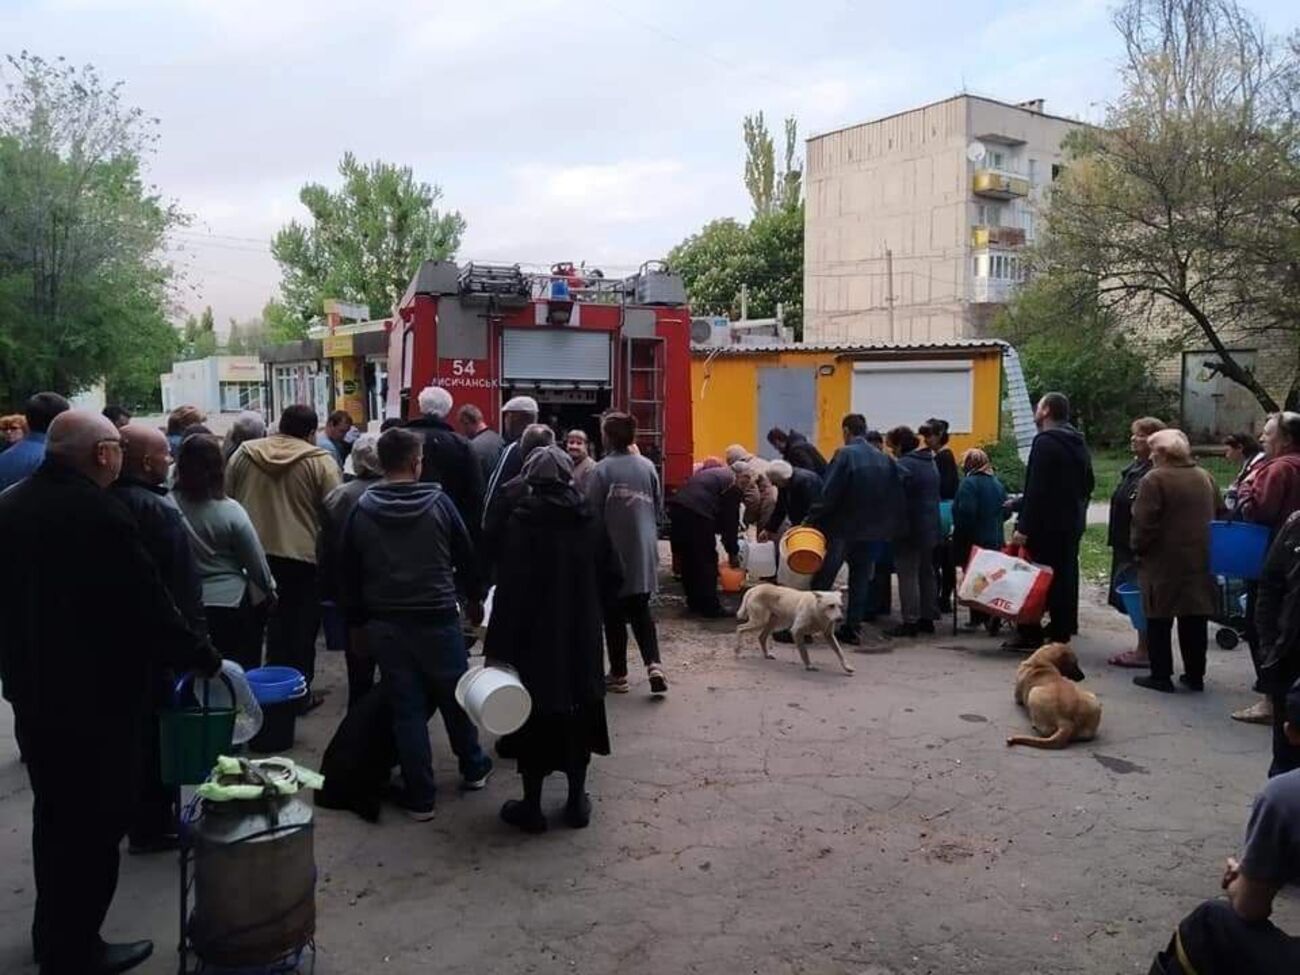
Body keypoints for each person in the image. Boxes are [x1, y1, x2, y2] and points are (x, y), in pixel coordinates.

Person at [0, 411, 219, 975]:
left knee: (55, 820)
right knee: (94, 828)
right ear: (103, 455)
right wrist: (202, 656)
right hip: (95, 699)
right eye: (116, 447)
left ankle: (54, 936)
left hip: (33, 693)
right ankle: (76, 949)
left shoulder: (13, 503)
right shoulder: (100, 515)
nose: (121, 456)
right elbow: (146, 603)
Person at [338, 427, 491, 821]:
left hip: (386, 623)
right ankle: (473, 768)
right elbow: (467, 552)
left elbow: (348, 574)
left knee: (406, 707)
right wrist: (474, 598)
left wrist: (355, 626)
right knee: (454, 696)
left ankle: (421, 796)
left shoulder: (362, 507)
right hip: (438, 616)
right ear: (413, 462)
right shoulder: (439, 503)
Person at [485, 445, 616, 833]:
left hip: (533, 639)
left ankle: (532, 805)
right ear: (567, 477)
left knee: (535, 714)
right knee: (580, 707)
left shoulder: (521, 522)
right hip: (581, 633)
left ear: (531, 481)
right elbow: (613, 575)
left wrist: (499, 646)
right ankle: (577, 800)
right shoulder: (589, 519)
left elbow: (507, 588)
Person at [1150, 680, 1300, 973]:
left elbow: (1250, 908)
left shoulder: (1285, 797)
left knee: (1209, 923)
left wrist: (1240, 880)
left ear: (1290, 732)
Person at [111, 425, 209, 854]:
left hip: (113, 644)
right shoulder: (157, 509)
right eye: (163, 456)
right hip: (156, 646)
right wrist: (197, 643)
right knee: (157, 740)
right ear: (149, 463)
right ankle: (154, 825)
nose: (170, 460)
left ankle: (135, 817)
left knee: (130, 738)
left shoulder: (105, 500)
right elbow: (182, 588)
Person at [226, 404, 341, 707]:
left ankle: (246, 694)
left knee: (250, 629)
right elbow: (335, 513)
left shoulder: (244, 454)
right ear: (311, 432)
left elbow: (227, 497)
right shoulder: (321, 462)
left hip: (250, 556)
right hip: (301, 558)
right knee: (298, 630)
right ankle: (295, 695)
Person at [174, 434, 277, 673]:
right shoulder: (230, 511)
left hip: (183, 602)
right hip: (229, 602)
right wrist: (270, 590)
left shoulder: (166, 504)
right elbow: (255, 563)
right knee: (236, 670)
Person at [1130, 430, 1222, 693]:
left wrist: (1138, 548)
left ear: (1162, 454)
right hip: (1200, 557)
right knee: (1194, 616)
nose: (1149, 455)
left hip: (1163, 560)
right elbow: (1220, 509)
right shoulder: (1204, 476)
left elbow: (1144, 522)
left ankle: (1161, 675)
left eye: (1152, 450)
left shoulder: (1154, 479)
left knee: (1159, 615)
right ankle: (1195, 675)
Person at [1004, 392, 1095, 651]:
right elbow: (1088, 483)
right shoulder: (1077, 441)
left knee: (1032, 577)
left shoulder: (1045, 441)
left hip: (1045, 525)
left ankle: (1029, 632)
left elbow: (1037, 488)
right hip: (1071, 522)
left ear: (1045, 411)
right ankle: (1061, 630)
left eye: (1038, 406)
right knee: (1063, 577)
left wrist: (1024, 527)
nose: (1035, 410)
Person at [804, 413, 904, 644]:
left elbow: (829, 493)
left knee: (823, 578)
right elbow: (895, 493)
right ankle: (853, 627)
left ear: (846, 431)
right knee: (860, 580)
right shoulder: (884, 459)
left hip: (843, 528)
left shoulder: (845, 455)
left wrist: (811, 519)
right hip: (872, 531)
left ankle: (808, 626)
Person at [585, 412, 667, 696]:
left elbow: (591, 516)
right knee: (641, 610)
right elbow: (657, 508)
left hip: (612, 552)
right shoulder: (647, 467)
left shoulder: (601, 470)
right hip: (643, 550)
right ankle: (654, 664)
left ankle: (619, 674)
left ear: (607, 437)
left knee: (614, 615)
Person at [1236, 412, 1300, 724]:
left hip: (1271, 557)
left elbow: (1261, 511)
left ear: (1286, 439)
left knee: (1264, 624)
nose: (1261, 438)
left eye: (1267, 433)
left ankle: (1270, 700)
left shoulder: (1279, 469)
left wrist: (1246, 490)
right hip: (1295, 562)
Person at [318, 433, 384, 706]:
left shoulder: (339, 496)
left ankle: (359, 716)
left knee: (359, 663)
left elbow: (326, 547)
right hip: (391, 588)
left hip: (353, 590)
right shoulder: (396, 492)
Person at [1106, 417, 1166, 669]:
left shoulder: (1153, 471)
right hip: (1125, 541)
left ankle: (1145, 650)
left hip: (1139, 546)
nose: (1134, 438)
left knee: (1141, 596)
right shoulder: (1136, 467)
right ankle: (1143, 646)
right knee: (1133, 595)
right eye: (1134, 433)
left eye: (1140, 435)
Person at [885, 426, 941, 638]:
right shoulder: (930, 463)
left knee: (907, 573)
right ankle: (928, 617)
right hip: (930, 527)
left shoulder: (904, 466)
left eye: (892, 447)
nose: (892, 451)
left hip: (909, 529)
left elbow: (893, 496)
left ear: (900, 445)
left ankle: (910, 620)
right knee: (927, 572)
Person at [405, 386, 484, 534]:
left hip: (400, 525)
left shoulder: (397, 439)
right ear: (448, 410)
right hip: (447, 527)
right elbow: (476, 494)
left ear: (420, 406)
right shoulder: (461, 445)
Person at [668, 463, 742, 618]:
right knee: (707, 559)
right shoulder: (733, 486)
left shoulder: (715, 474)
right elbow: (730, 522)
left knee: (689, 558)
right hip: (697, 513)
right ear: (743, 477)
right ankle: (710, 607)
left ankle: (694, 602)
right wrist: (732, 552)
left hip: (677, 508)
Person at [1257, 512, 1300, 776]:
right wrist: (1268, 647)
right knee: (1286, 760)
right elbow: (1270, 585)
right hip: (1290, 657)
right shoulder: (1296, 525)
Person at [952, 448, 1009, 632]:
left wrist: (959, 530)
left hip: (975, 539)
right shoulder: (997, 484)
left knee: (976, 579)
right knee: (991, 578)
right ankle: (992, 615)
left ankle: (977, 617)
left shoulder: (969, 484)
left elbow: (966, 512)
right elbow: (1006, 510)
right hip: (995, 538)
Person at [483, 395, 540, 523]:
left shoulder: (514, 449)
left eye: (506, 417)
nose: (505, 422)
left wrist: (487, 527)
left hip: (514, 525)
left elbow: (495, 491)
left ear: (514, 418)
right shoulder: (550, 449)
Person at [0, 392, 70, 491]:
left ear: (27, 420)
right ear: (62, 420)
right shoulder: (59, 462)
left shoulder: (4, 458)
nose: (8, 432)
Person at [924, 419, 960, 613]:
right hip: (947, 514)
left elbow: (943, 487)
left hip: (942, 515)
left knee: (939, 560)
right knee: (945, 561)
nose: (926, 440)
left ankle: (941, 597)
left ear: (938, 435)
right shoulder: (945, 456)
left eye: (928, 435)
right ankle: (943, 597)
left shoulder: (941, 458)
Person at [762, 459, 823, 539]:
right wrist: (769, 529)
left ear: (782, 479)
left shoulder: (805, 482)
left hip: (815, 527)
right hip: (805, 525)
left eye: (774, 482)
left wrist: (805, 524)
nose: (773, 484)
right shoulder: (786, 483)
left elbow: (815, 507)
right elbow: (780, 507)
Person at [457, 403, 504, 485]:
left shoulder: (472, 447)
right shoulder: (499, 439)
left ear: (466, 422)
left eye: (462, 425)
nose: (462, 431)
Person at [1224, 431, 1266, 511]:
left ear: (1240, 448)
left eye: (1228, 450)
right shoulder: (1250, 464)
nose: (1226, 454)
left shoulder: (1257, 467)